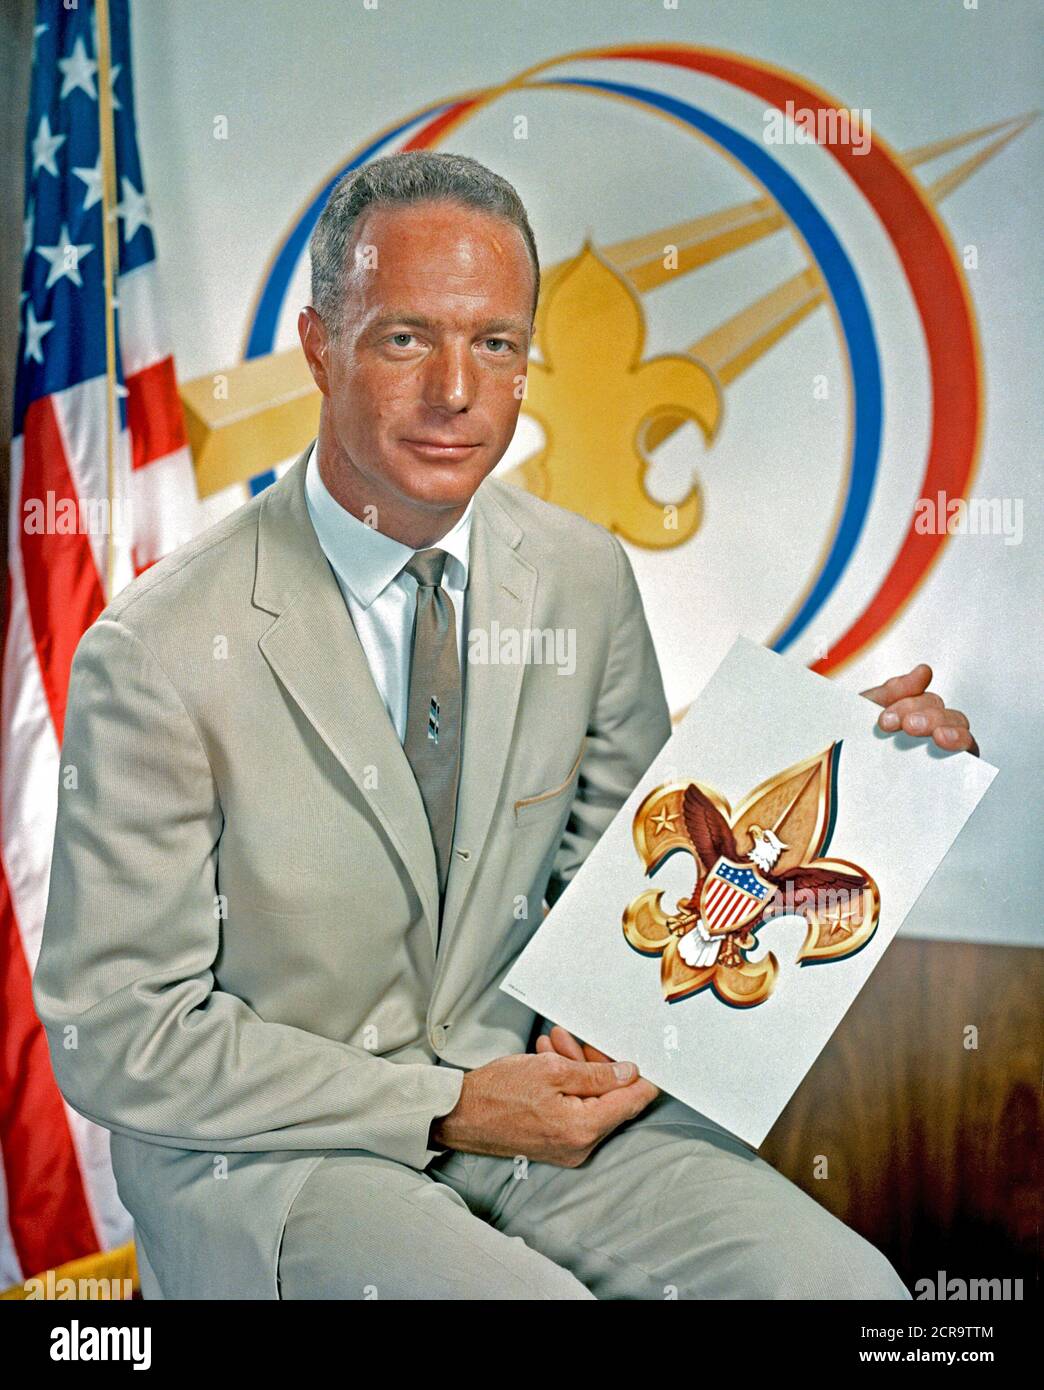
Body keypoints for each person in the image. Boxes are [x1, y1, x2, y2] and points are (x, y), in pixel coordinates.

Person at [33, 150, 978, 1300]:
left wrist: (832, 770)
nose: (456, 391)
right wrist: (446, 1104)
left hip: (535, 1118)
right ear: (319, 345)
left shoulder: (583, 580)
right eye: (403, 338)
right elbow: (118, 1033)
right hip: (280, 1159)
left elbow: (625, 905)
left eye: (494, 344)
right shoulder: (157, 650)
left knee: (851, 1295)